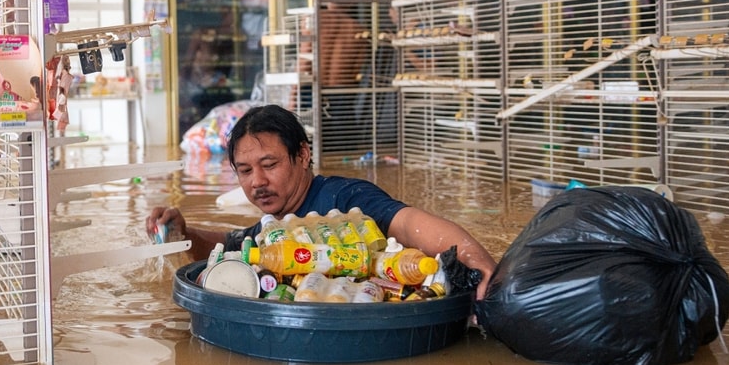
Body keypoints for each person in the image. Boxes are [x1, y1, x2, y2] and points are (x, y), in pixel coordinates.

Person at [147, 104, 498, 299]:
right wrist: (184, 232)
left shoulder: (345, 199)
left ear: (302, 155)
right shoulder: (277, 226)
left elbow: (408, 223)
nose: (257, 182)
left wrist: (472, 259)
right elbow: (234, 244)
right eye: (244, 171)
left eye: (269, 165)